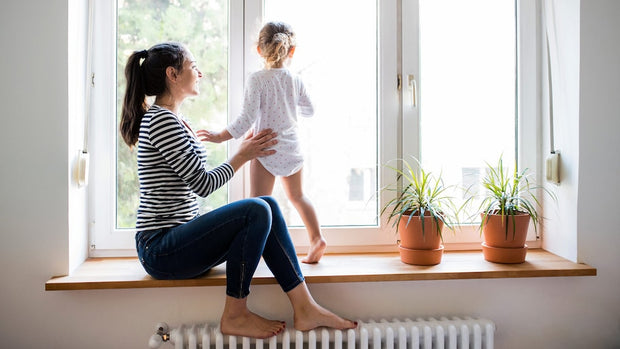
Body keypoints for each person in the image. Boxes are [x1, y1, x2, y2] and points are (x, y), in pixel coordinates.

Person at [120, 42, 356, 339]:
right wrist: (242, 155)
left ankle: (305, 307)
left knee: (266, 204)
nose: (200, 72)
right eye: (193, 66)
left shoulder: (176, 120)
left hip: (177, 240)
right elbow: (203, 184)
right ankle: (235, 314)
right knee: (256, 209)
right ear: (173, 74)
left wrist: (242, 151)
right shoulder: (162, 121)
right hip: (160, 249)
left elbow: (194, 178)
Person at [201, 22, 326, 264]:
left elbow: (245, 119)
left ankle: (254, 252)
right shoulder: (295, 79)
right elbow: (309, 110)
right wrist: (289, 104)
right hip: (292, 147)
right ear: (291, 51)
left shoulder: (257, 79)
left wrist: (219, 136)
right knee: (298, 196)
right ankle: (317, 239)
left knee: (256, 205)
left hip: (264, 148)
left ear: (259, 50)